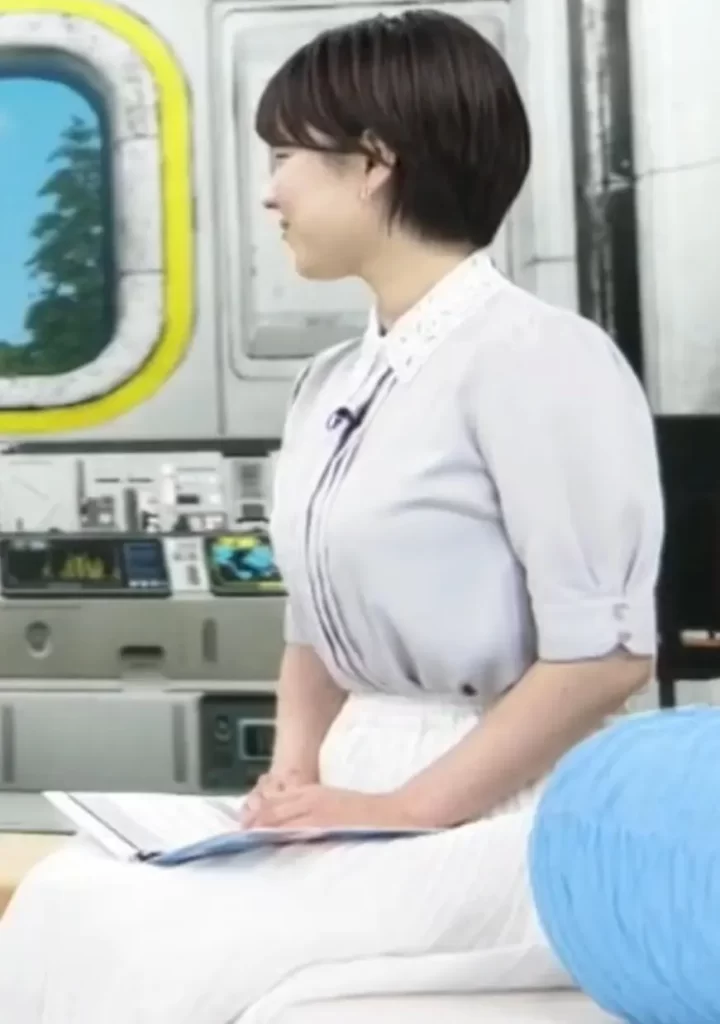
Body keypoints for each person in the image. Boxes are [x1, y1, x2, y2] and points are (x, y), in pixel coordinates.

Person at [0, 9, 663, 1023]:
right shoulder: (331, 381)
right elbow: (309, 627)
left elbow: (606, 660)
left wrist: (404, 808)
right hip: (357, 790)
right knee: (65, 896)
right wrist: (290, 775)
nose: (269, 192)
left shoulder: (542, 358)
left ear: (375, 164)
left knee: (143, 935)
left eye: (285, 157)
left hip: (508, 810)